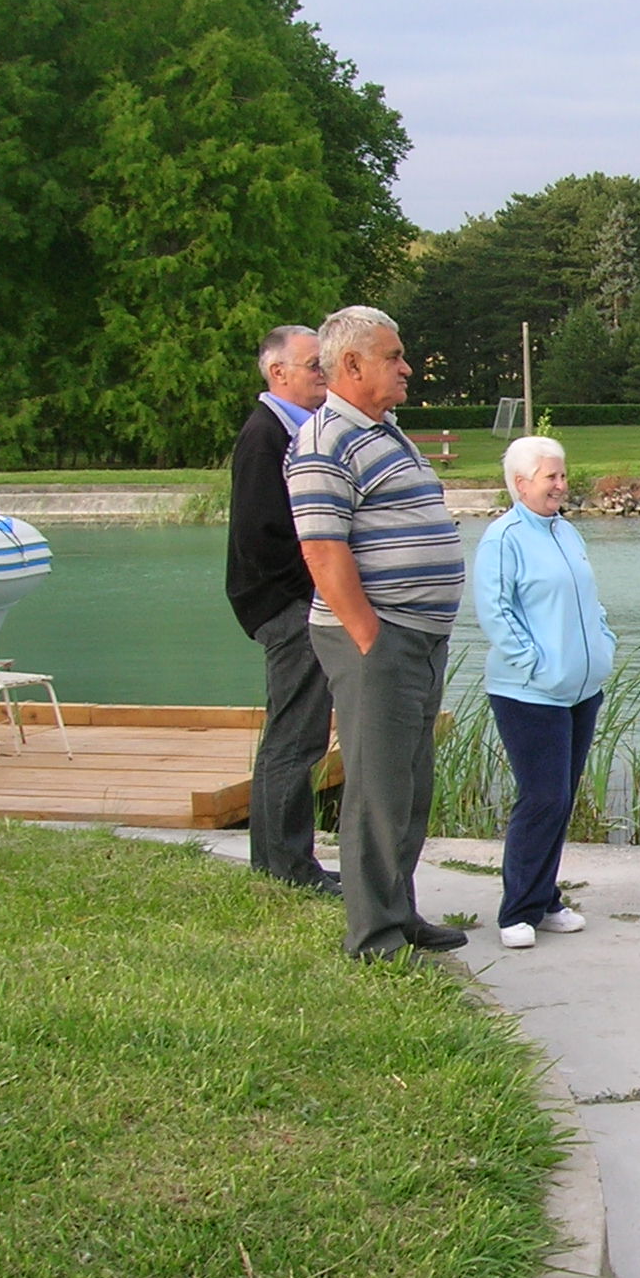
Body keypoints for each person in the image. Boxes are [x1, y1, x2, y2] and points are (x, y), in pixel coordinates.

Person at [288, 306, 468, 962]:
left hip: (417, 635)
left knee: (411, 784)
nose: (407, 367)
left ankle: (400, 912)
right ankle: (374, 937)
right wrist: (370, 637)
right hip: (378, 640)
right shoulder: (322, 442)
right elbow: (323, 553)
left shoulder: (384, 430)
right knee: (377, 787)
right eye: (393, 356)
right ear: (352, 365)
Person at [474, 436, 616, 949]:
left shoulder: (566, 532)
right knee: (542, 797)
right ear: (520, 483)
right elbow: (495, 612)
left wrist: (603, 645)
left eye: (562, 475)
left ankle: (545, 898)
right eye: (550, 476)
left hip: (581, 689)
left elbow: (589, 600)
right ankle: (517, 910)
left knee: (561, 799)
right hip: (529, 693)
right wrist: (538, 667)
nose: (561, 484)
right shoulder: (504, 538)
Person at [225, 324, 338, 895]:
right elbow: (263, 537)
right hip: (288, 606)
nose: (325, 373)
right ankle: (285, 867)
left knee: (300, 734)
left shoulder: (295, 432)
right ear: (279, 373)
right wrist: (316, 593)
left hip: (296, 602)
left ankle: (282, 863)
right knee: (295, 737)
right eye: (315, 365)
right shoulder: (265, 437)